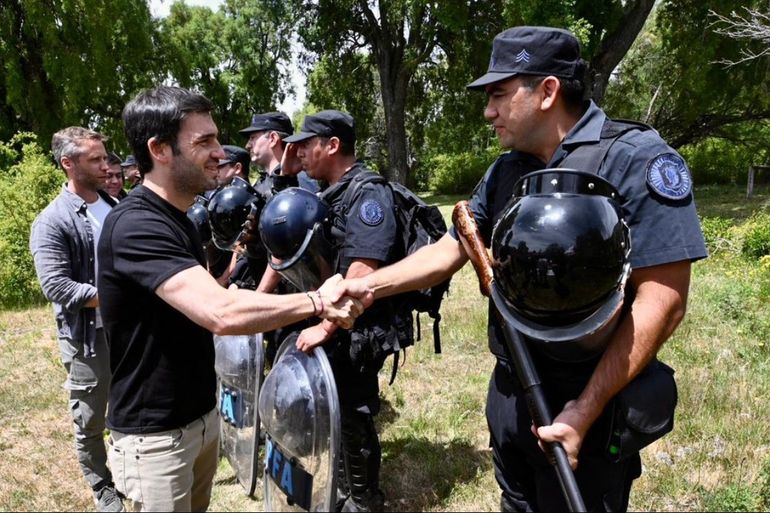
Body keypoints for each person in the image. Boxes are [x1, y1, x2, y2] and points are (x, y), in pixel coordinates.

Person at [332, 26, 708, 511]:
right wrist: (364, 287)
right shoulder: (509, 168)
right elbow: (450, 251)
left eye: (499, 94)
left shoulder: (636, 161)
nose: (488, 111)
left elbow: (664, 299)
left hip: (591, 397)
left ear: (548, 91)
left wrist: (583, 412)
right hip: (512, 387)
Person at [97, 86, 368, 512]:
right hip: (156, 438)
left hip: (200, 418)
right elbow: (220, 313)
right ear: (159, 149)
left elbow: (206, 298)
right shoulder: (135, 224)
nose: (219, 154)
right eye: (202, 142)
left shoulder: (179, 220)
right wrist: (318, 302)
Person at [273, 110, 403, 511]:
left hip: (357, 327)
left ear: (332, 145)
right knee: (334, 414)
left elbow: (362, 273)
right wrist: (288, 166)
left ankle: (363, 500)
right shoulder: (329, 190)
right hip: (337, 323)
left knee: (352, 414)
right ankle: (342, 489)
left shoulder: (367, 194)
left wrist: (324, 330)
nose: (298, 152)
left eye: (306, 144)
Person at [29, 127, 124, 512]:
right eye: (95, 159)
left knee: (129, 404)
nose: (106, 166)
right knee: (90, 416)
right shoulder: (52, 221)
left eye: (105, 157)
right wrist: (121, 298)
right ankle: (103, 486)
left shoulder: (117, 206)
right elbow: (58, 287)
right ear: (69, 164)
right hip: (88, 336)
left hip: (127, 329)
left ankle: (130, 473)